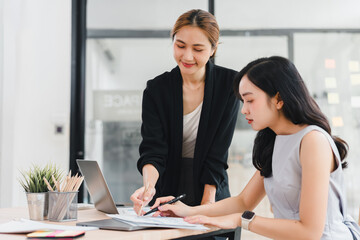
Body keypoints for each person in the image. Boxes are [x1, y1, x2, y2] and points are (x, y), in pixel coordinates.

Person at [152, 56, 360, 239]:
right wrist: (187, 211)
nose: (244, 110)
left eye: (250, 100)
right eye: (243, 101)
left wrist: (240, 220)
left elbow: (309, 232)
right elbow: (243, 202)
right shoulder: (276, 141)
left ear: (278, 99)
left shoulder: (312, 141)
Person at [130, 9, 239, 215]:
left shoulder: (229, 86)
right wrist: (148, 187)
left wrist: (207, 204)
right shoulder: (156, 89)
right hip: (168, 191)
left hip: (211, 188)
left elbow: (217, 154)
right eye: (180, 46)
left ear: (213, 49)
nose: (187, 56)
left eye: (198, 49)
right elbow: (153, 151)